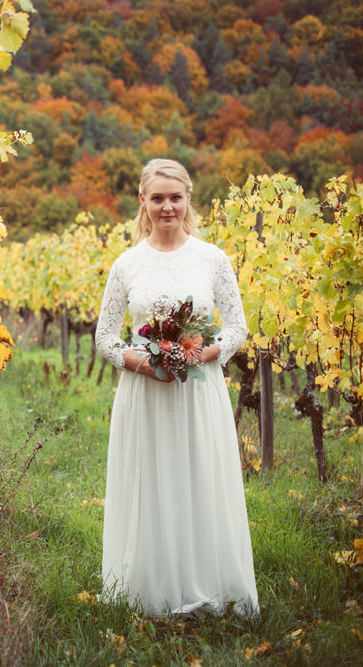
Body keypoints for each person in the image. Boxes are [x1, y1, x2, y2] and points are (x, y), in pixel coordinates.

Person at [94, 158, 258, 616]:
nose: (168, 207)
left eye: (176, 197)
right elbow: (104, 337)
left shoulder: (212, 259)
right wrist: (142, 364)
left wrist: (200, 354)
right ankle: (152, 588)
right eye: (158, 198)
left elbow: (237, 329)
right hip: (145, 393)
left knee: (199, 476)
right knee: (153, 480)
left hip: (198, 390)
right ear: (143, 203)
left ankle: (206, 582)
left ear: (189, 200)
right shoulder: (127, 264)